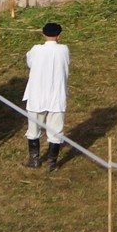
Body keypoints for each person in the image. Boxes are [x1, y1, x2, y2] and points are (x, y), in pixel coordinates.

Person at [23, 21, 70, 171]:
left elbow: (29, 62)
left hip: (37, 95)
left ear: (43, 34)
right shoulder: (64, 49)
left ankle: (34, 159)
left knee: (33, 129)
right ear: (59, 36)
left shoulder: (36, 50)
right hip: (56, 95)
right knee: (56, 130)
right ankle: (52, 162)